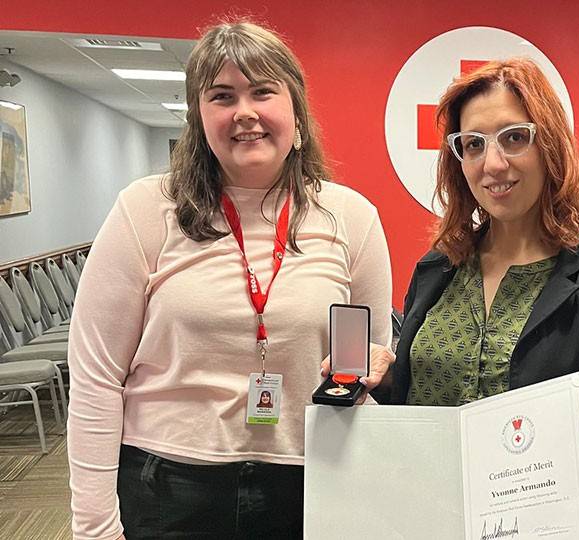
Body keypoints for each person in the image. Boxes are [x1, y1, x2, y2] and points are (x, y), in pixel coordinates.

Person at [67, 21, 393, 540]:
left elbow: (369, 357)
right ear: (200, 119)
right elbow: (95, 378)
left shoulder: (352, 217)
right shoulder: (146, 210)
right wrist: (94, 525)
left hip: (310, 484)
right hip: (168, 488)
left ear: (296, 112)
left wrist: (374, 366)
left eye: (263, 90)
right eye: (222, 96)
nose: (245, 111)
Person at [371, 58, 579, 540]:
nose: (492, 164)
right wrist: (380, 377)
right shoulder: (438, 269)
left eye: (514, 138)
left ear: (550, 145)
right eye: (472, 144)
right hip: (422, 521)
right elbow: (412, 404)